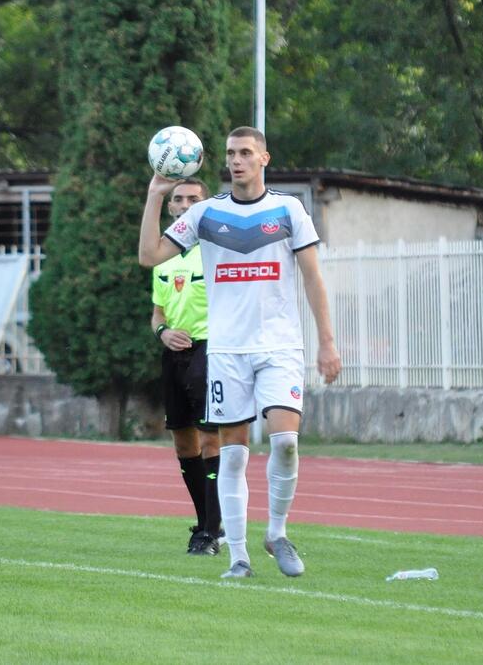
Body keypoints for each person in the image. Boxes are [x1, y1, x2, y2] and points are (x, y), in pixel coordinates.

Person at [139, 126, 342, 578]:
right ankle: (238, 558)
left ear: (264, 158)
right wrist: (156, 193)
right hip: (227, 351)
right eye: (231, 153)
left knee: (285, 443)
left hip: (280, 347)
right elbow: (150, 256)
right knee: (232, 454)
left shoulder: (289, 210)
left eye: (246, 153)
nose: (237, 160)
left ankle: (276, 532)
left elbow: (312, 279)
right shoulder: (206, 214)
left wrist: (327, 342)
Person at [150, 177, 223, 556]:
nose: (184, 204)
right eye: (177, 199)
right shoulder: (164, 255)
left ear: (205, 204)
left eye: (193, 198)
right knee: (183, 442)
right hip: (174, 356)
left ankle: (211, 531)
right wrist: (163, 332)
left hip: (211, 351)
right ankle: (206, 521)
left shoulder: (215, 248)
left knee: (211, 438)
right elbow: (158, 311)